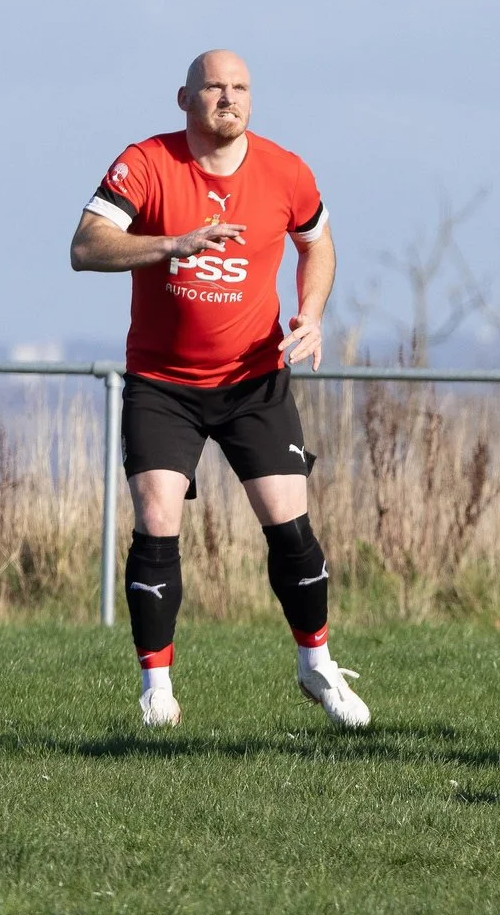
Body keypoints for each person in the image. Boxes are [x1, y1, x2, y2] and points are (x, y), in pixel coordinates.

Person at [68, 50, 369, 730]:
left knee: (291, 527)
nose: (227, 98)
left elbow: (318, 244)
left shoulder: (286, 171)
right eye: (213, 87)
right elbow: (86, 246)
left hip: (253, 380)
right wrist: (170, 244)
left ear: (251, 101)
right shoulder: (146, 163)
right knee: (156, 517)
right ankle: (156, 686)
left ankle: (316, 663)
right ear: (185, 98)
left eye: (239, 88)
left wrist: (311, 315)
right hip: (162, 383)